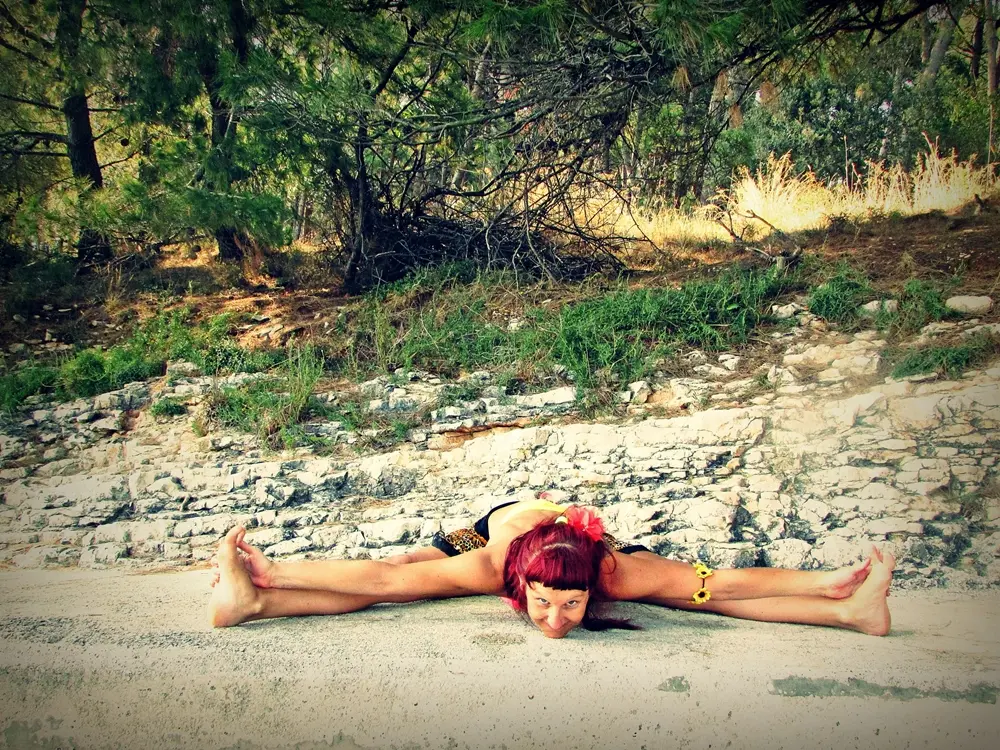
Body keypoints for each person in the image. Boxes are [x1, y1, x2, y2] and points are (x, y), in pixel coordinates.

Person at [209, 498, 894, 638]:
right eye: (543, 604)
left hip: (573, 534)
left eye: (570, 606)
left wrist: (825, 583)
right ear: (520, 587)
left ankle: (850, 612)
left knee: (700, 599)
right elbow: (383, 581)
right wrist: (277, 569)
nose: (555, 621)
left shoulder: (615, 571)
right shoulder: (493, 563)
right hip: (493, 522)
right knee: (406, 571)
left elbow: (722, 581)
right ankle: (256, 598)